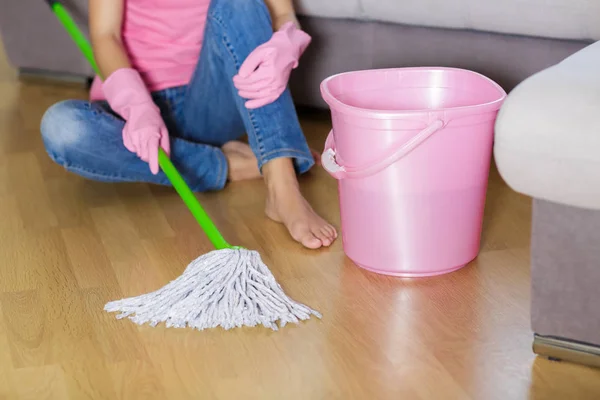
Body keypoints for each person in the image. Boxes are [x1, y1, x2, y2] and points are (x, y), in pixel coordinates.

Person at [40, 0, 337, 249]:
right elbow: (106, 36)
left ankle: (281, 182)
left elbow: (283, 14)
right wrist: (137, 105)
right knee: (62, 128)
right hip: (132, 114)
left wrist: (288, 41)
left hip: (207, 103)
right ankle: (226, 164)